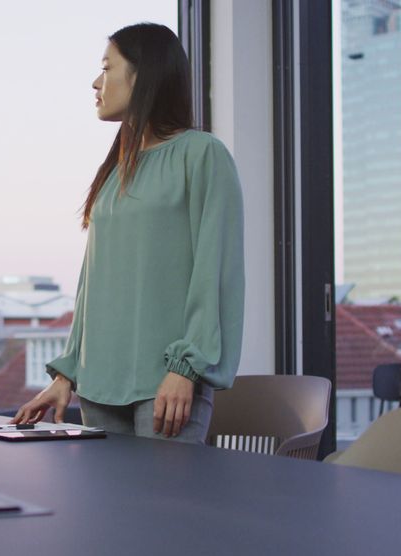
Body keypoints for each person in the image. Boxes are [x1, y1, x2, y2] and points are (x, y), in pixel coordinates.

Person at [13, 23, 244, 443]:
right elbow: (93, 283)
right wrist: (67, 372)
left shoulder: (203, 154)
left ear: (146, 74)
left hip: (167, 386)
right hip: (99, 386)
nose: (96, 82)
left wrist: (185, 369)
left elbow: (215, 272)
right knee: (108, 511)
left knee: (162, 509)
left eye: (107, 68)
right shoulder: (116, 170)